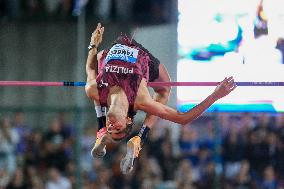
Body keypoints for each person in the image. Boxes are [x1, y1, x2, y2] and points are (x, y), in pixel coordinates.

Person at [85, 23, 237, 174]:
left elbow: (91, 68)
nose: (112, 126)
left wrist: (93, 44)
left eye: (110, 129)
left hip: (111, 51)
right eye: (118, 129)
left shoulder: (93, 90)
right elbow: (183, 119)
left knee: (98, 61)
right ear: (128, 120)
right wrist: (215, 95)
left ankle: (103, 132)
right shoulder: (141, 99)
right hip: (140, 57)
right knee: (164, 89)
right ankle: (140, 138)